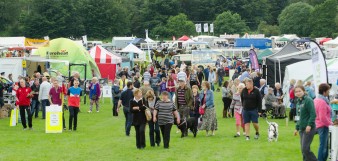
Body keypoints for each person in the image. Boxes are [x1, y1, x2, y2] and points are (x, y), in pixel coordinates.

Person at [293, 85, 317, 161]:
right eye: (296, 92)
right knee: (303, 150)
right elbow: (298, 116)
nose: (298, 93)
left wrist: (309, 125)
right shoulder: (298, 102)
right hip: (301, 129)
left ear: (304, 91)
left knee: (305, 149)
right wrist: (296, 128)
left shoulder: (308, 100)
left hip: (309, 128)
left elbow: (313, 114)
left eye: (299, 91)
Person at [314, 83, 332, 161]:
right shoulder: (322, 102)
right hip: (323, 126)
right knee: (323, 146)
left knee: (324, 145)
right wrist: (330, 123)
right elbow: (323, 117)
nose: (329, 92)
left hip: (319, 124)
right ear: (324, 92)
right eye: (328, 91)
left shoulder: (316, 99)